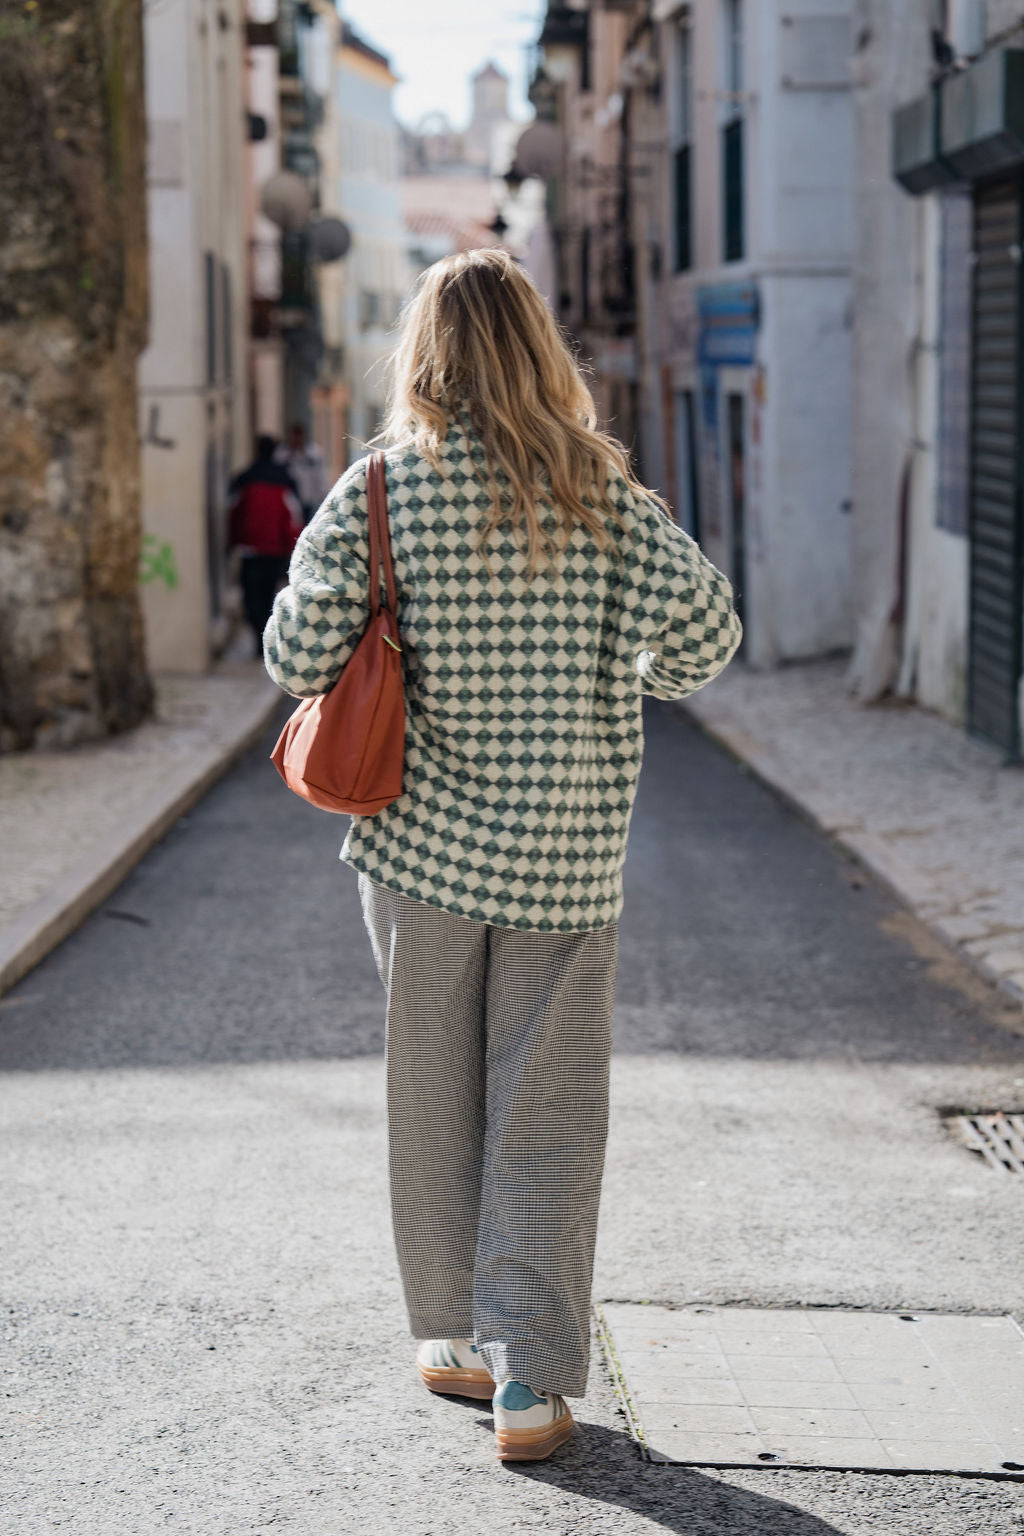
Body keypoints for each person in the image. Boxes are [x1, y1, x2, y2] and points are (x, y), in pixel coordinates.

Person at [263, 250, 742, 1462]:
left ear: (425, 355)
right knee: (549, 1107)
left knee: (428, 1082)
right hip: (567, 856)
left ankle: (451, 1338)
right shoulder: (603, 494)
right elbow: (703, 639)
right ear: (539, 350)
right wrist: (614, 671)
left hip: (418, 851)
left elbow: (295, 653)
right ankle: (531, 1386)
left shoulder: (381, 492)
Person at [228, 436, 302, 658]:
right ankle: (265, 641)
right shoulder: (285, 480)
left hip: (249, 550)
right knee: (269, 596)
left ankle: (259, 640)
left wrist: (231, 543)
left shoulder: (244, 478)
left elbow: (233, 515)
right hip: (274, 551)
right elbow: (294, 518)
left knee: (251, 597)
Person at [275, 421, 329, 525]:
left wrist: (323, 497)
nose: (296, 440)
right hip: (289, 500)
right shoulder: (281, 454)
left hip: (308, 500)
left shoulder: (314, 453)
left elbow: (321, 477)